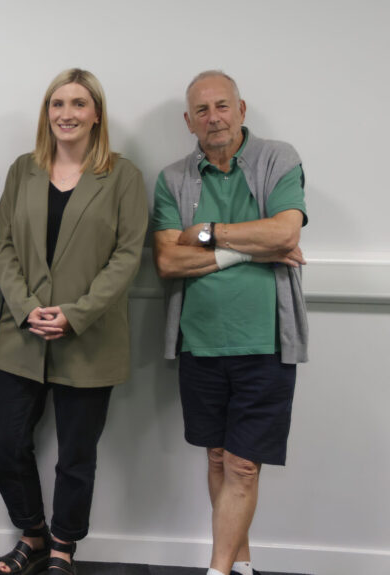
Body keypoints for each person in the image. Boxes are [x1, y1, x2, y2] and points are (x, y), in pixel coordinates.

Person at [0, 68, 148, 575]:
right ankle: (32, 534)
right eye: (58, 104)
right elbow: (3, 245)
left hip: (90, 337)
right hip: (22, 334)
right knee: (5, 443)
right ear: (47, 113)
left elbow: (127, 256)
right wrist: (26, 306)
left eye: (79, 104)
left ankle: (63, 547)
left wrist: (75, 315)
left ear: (96, 114)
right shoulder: (22, 170)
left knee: (76, 455)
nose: (67, 114)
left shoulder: (124, 176)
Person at [152, 70, 307, 575]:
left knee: (243, 464)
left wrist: (207, 233)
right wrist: (245, 252)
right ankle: (240, 565)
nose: (213, 117)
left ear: (242, 110)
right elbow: (168, 263)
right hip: (199, 344)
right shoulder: (173, 178)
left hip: (264, 341)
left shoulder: (277, 157)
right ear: (188, 121)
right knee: (218, 457)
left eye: (223, 106)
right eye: (202, 110)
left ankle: (216, 570)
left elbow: (285, 233)